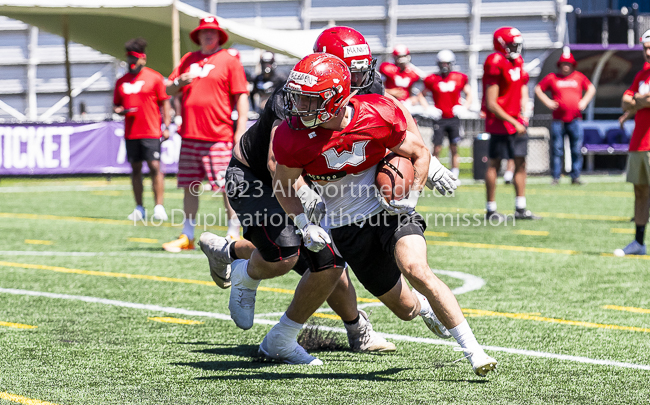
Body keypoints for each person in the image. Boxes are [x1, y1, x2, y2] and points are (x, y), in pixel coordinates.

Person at [199, 26, 456, 364]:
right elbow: (278, 165)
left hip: (302, 178)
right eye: (353, 72)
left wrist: (426, 158)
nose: (362, 79)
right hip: (258, 177)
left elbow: (393, 112)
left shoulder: (361, 82)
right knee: (294, 253)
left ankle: (232, 254)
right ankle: (250, 281)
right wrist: (307, 206)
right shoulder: (294, 98)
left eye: (363, 69)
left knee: (327, 258)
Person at [267, 53, 495, 376]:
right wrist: (304, 225)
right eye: (298, 98)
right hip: (347, 229)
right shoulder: (294, 136)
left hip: (389, 211)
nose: (298, 107)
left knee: (416, 267)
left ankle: (475, 351)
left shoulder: (377, 112)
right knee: (405, 309)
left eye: (308, 100)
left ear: (333, 100)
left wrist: (410, 197)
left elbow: (419, 153)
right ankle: (425, 308)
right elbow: (282, 187)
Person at [162, 16, 249, 252]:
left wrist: (240, 131)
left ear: (219, 36)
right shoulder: (188, 59)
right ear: (198, 36)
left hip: (218, 136)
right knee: (189, 187)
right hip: (189, 136)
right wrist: (179, 81)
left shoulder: (229, 60)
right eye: (204, 32)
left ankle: (233, 234)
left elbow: (241, 96)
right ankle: (187, 235)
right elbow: (167, 89)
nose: (208, 35)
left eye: (212, 32)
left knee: (227, 188)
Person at [482, 27, 539, 221]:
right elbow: (492, 103)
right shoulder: (495, 61)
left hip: (516, 121)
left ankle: (520, 208)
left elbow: (522, 88)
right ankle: (491, 209)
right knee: (495, 164)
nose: (516, 47)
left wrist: (525, 110)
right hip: (500, 122)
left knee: (521, 163)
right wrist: (514, 121)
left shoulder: (517, 61)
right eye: (512, 44)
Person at [113, 38, 171, 222]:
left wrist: (167, 125)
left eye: (134, 58)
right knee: (135, 169)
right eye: (129, 58)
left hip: (151, 130)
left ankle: (159, 207)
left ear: (143, 59)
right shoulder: (121, 81)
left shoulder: (154, 77)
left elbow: (165, 102)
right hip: (131, 132)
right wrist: (119, 110)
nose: (131, 62)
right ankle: (139, 207)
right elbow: (116, 105)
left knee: (155, 167)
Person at [535, 48, 595, 185]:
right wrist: (548, 102)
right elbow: (538, 89)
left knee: (576, 149)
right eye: (563, 64)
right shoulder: (552, 78)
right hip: (558, 120)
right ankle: (556, 176)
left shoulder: (579, 77)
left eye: (568, 64)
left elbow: (591, 88)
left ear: (572, 65)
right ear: (560, 65)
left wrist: (584, 102)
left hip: (575, 119)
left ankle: (576, 176)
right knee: (557, 149)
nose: (566, 66)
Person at [615, 29, 650, 257]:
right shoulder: (642, 74)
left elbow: (634, 101)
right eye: (645, 48)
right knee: (640, 192)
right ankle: (638, 242)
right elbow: (624, 102)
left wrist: (635, 102)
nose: (647, 53)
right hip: (639, 142)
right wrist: (640, 102)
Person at [420, 50, 472, 179]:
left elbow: (469, 93)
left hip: (454, 118)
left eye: (447, 63)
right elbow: (421, 95)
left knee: (454, 147)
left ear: (451, 64)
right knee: (437, 147)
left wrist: (464, 107)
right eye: (442, 63)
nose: (444, 66)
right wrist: (428, 108)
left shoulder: (459, 77)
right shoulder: (432, 79)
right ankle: (434, 173)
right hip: (439, 119)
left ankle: (455, 174)